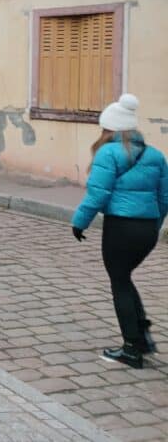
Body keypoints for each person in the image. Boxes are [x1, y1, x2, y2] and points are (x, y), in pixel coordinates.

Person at [71, 94, 168, 369]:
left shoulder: (107, 153)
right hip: (147, 229)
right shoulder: (156, 154)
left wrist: (80, 222)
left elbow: (97, 194)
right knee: (124, 278)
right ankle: (142, 338)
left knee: (119, 282)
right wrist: (154, 225)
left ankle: (131, 350)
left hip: (120, 227)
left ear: (108, 128)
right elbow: (165, 198)